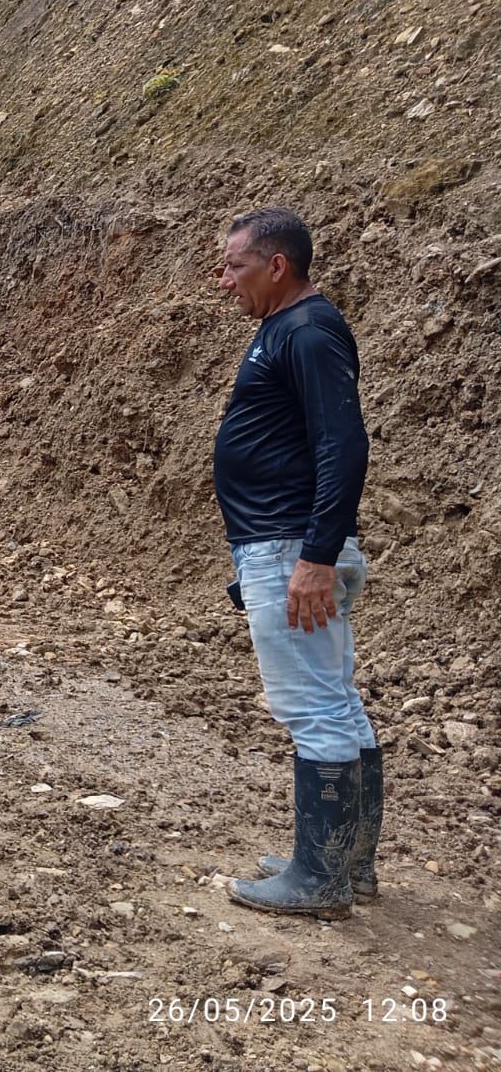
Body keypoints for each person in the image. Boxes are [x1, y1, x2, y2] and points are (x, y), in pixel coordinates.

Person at [213, 206, 379, 920]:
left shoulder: (307, 331)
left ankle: (321, 879)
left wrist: (314, 557)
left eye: (235, 266)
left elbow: (343, 444)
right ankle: (345, 865)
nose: (224, 281)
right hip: (285, 542)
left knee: (313, 706)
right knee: (335, 700)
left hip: (289, 546)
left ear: (277, 266)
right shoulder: (287, 327)